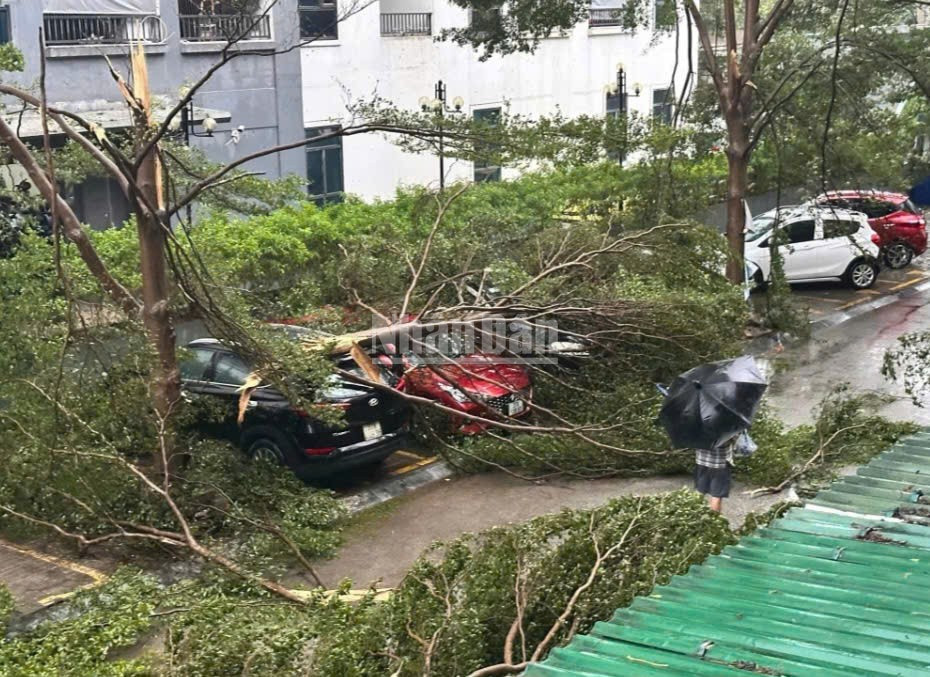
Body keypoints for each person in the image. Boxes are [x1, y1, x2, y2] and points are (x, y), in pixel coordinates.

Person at [694, 433, 739, 513]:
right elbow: (735, 438)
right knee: (716, 494)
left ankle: (695, 515)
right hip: (719, 463)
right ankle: (714, 518)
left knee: (700, 490)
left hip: (701, 461)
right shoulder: (726, 426)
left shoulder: (699, 425)